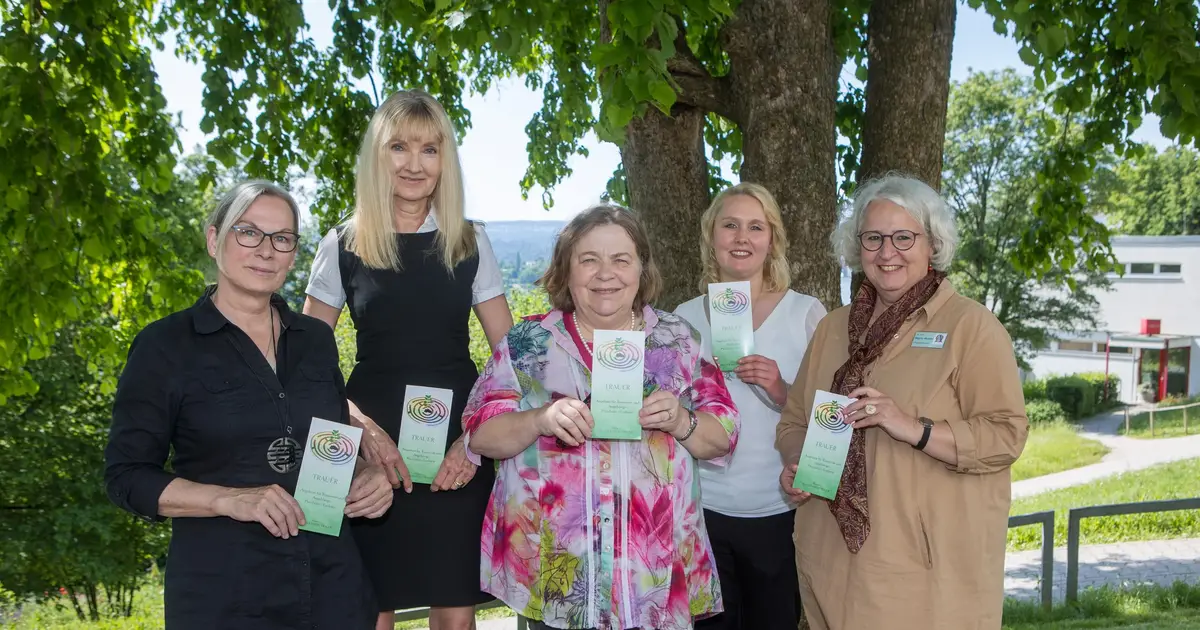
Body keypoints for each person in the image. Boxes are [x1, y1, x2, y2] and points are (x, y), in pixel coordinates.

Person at [104, 180, 394, 629]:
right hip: (225, 594)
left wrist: (366, 475)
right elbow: (126, 478)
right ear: (214, 238)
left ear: (294, 253)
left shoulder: (316, 341)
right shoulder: (164, 347)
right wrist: (230, 499)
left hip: (333, 586)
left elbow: (334, 443)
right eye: (248, 232)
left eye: (282, 238)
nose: (266, 250)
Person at [462, 204, 740, 630]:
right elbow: (480, 434)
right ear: (566, 270)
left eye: (620, 260)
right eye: (589, 260)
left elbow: (722, 436)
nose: (605, 274)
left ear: (641, 270)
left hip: (653, 581)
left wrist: (681, 420)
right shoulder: (528, 343)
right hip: (558, 579)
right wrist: (540, 418)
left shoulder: (678, 340)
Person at [775, 174, 1029, 629]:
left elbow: (1007, 435)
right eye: (873, 237)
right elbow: (794, 422)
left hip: (922, 573)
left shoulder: (972, 328)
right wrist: (799, 465)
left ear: (932, 244)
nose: (887, 251)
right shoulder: (833, 329)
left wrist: (914, 427)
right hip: (830, 558)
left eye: (903, 237)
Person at [303, 89, 514, 630]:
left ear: (446, 161)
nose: (414, 164)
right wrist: (360, 429)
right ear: (378, 156)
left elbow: (511, 359)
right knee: (369, 613)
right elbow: (304, 365)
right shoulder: (340, 244)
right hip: (367, 450)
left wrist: (475, 441)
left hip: (456, 447)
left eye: (430, 149)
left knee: (456, 616)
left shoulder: (471, 241)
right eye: (399, 147)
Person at [674, 183, 826, 630]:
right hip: (703, 513)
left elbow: (831, 417)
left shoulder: (806, 312)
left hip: (780, 511)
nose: (742, 237)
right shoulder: (684, 317)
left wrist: (781, 388)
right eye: (731, 225)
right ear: (711, 238)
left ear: (772, 240)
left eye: (756, 227)